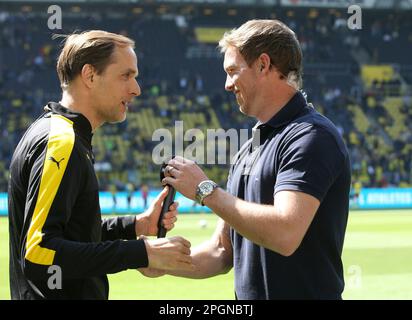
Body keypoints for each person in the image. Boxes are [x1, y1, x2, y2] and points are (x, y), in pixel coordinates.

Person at [142, 19, 351, 299]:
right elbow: (221, 251)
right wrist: (158, 260)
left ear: (263, 64)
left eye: (232, 71)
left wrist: (205, 190)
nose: (227, 85)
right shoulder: (250, 147)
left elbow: (285, 234)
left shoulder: (311, 136)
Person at [8, 30, 193, 300]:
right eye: (126, 76)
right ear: (90, 75)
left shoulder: (62, 133)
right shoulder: (61, 141)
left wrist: (136, 226)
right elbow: (39, 253)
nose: (136, 89)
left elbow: (73, 237)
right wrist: (142, 253)